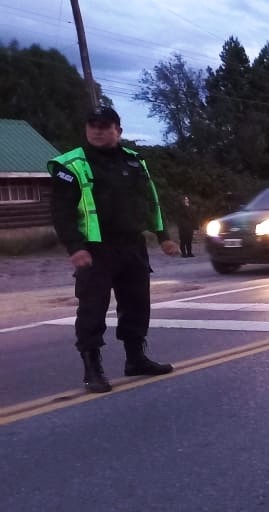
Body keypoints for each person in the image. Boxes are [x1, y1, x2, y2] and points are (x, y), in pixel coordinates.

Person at [48, 106, 179, 394]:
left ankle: (135, 358)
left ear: (118, 130)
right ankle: (92, 370)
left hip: (132, 244)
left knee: (137, 304)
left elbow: (150, 200)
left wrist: (163, 236)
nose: (97, 130)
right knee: (92, 309)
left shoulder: (134, 162)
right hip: (95, 249)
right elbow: (61, 212)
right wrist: (75, 247)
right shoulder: (70, 165)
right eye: (92, 124)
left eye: (104, 126)